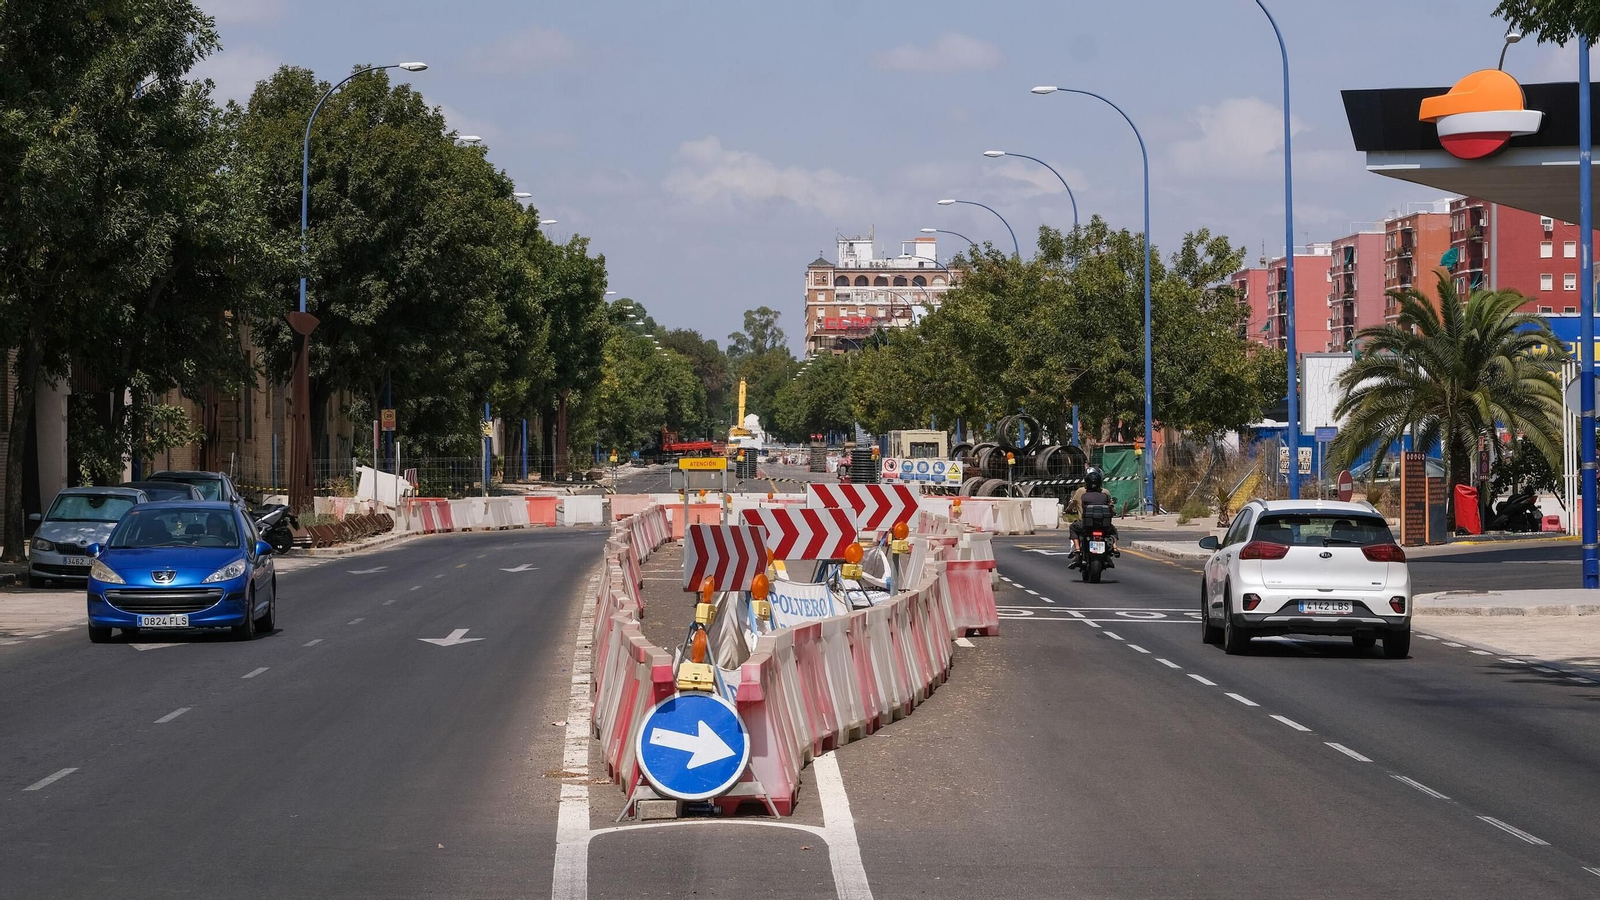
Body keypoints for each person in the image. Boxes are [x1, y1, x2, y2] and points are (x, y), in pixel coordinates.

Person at [1068, 467, 1119, 559]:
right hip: (1103, 525)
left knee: (1073, 527)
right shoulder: (1105, 493)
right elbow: (1111, 508)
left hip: (1086, 524)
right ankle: (1115, 547)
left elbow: (1076, 504)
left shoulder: (1082, 494)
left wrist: (1068, 510)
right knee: (1113, 530)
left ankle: (1077, 548)